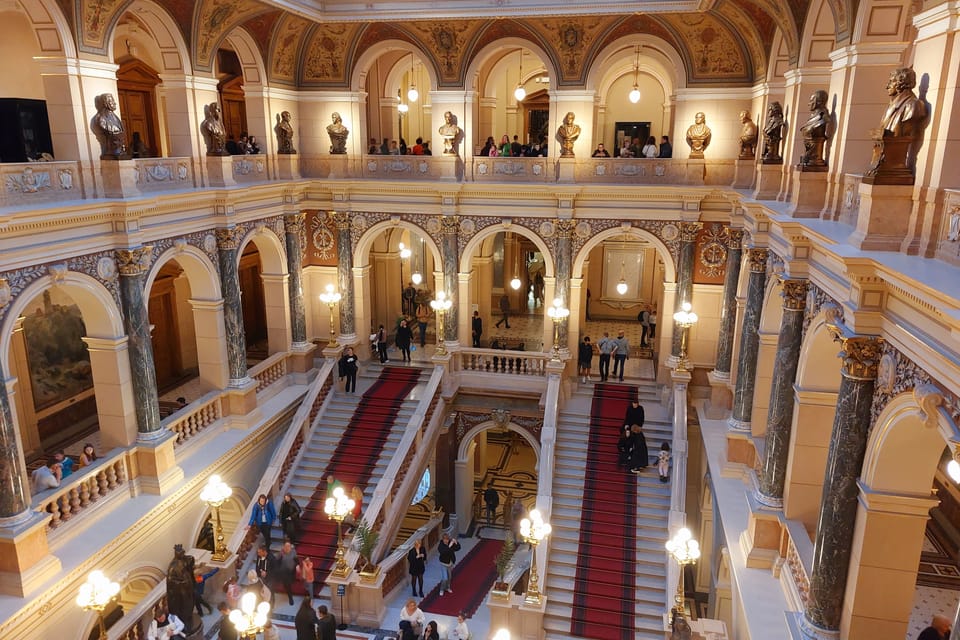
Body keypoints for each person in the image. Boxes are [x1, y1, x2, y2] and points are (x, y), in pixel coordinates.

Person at [799, 90, 829, 168]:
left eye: (812, 100)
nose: (809, 104)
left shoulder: (822, 118)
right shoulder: (813, 118)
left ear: (819, 102)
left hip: (815, 159)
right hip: (809, 156)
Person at [92, 93, 126, 159]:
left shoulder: (115, 117)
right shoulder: (100, 119)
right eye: (111, 101)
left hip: (119, 152)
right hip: (109, 153)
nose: (115, 103)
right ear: (105, 103)